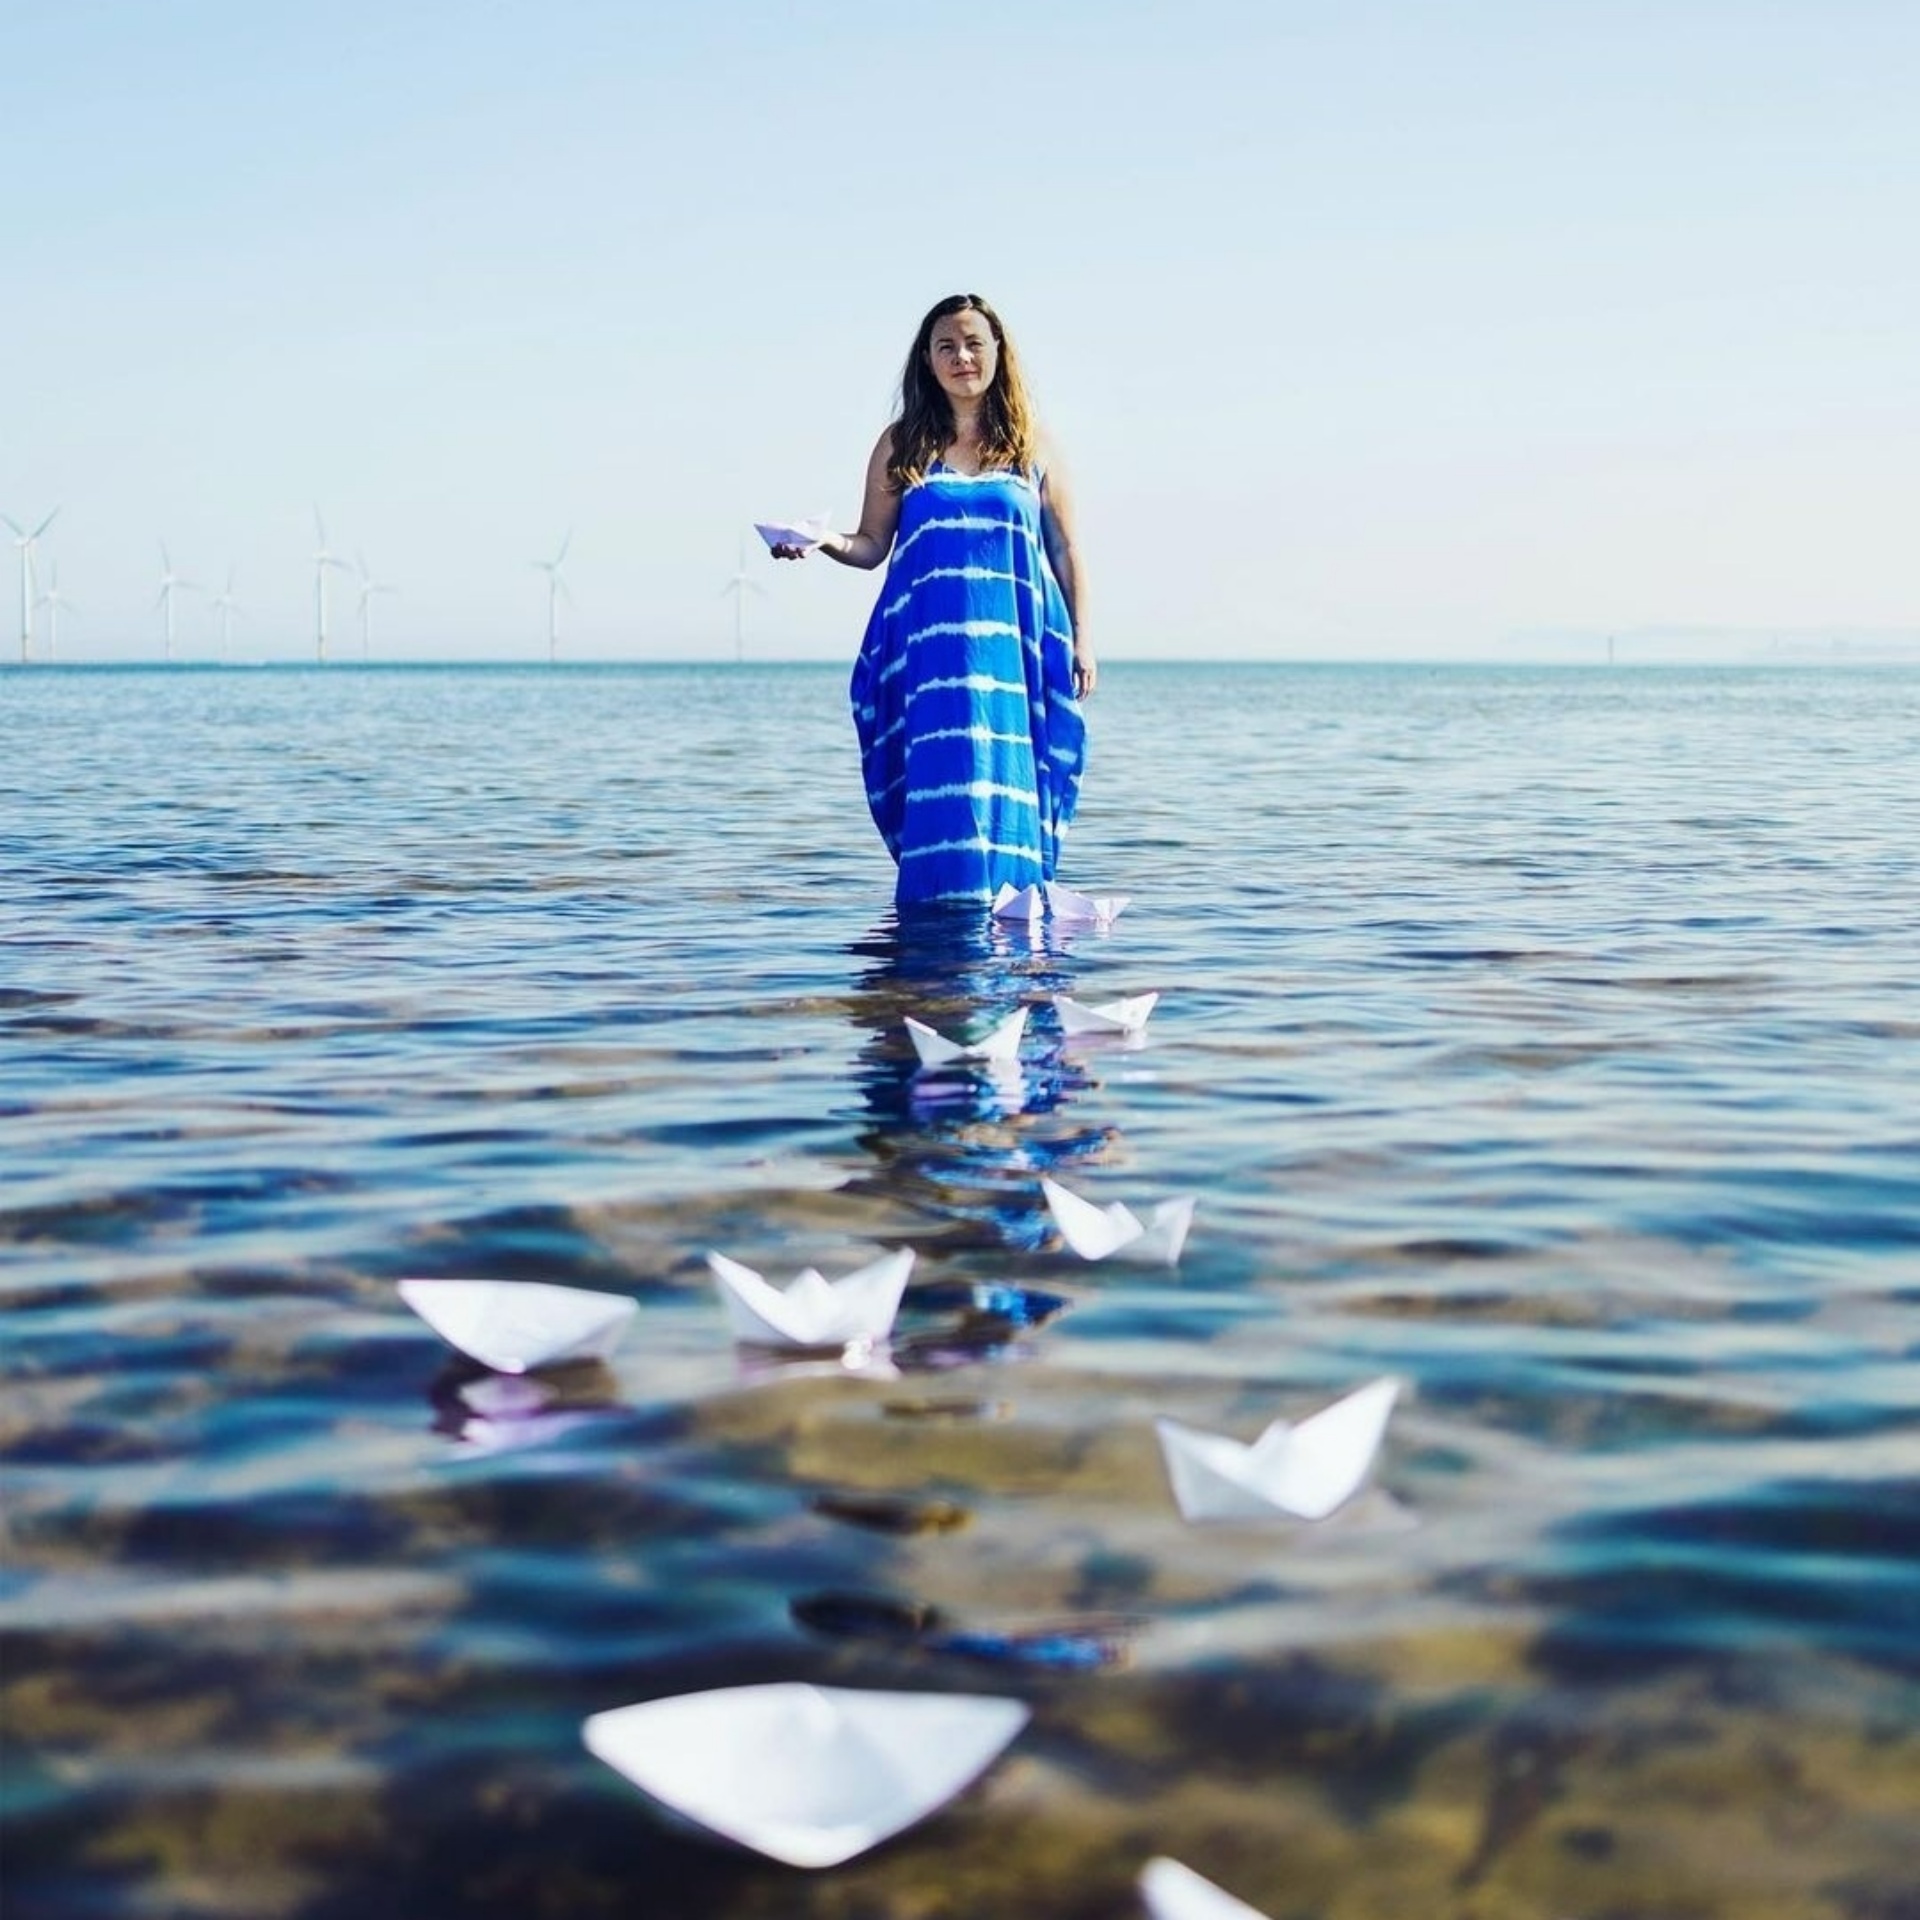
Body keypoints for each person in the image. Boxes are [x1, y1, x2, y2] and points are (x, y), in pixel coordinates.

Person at [773, 293, 1095, 906]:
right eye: (945, 346)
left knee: (1006, 784)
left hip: (1014, 658)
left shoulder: (1035, 447)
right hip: (930, 662)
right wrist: (822, 541)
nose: (962, 356)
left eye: (974, 343)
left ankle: (1010, 939)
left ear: (999, 353)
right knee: (942, 788)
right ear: (926, 359)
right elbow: (871, 544)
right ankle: (930, 957)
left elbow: (1065, 549)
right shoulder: (902, 444)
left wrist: (1083, 639)